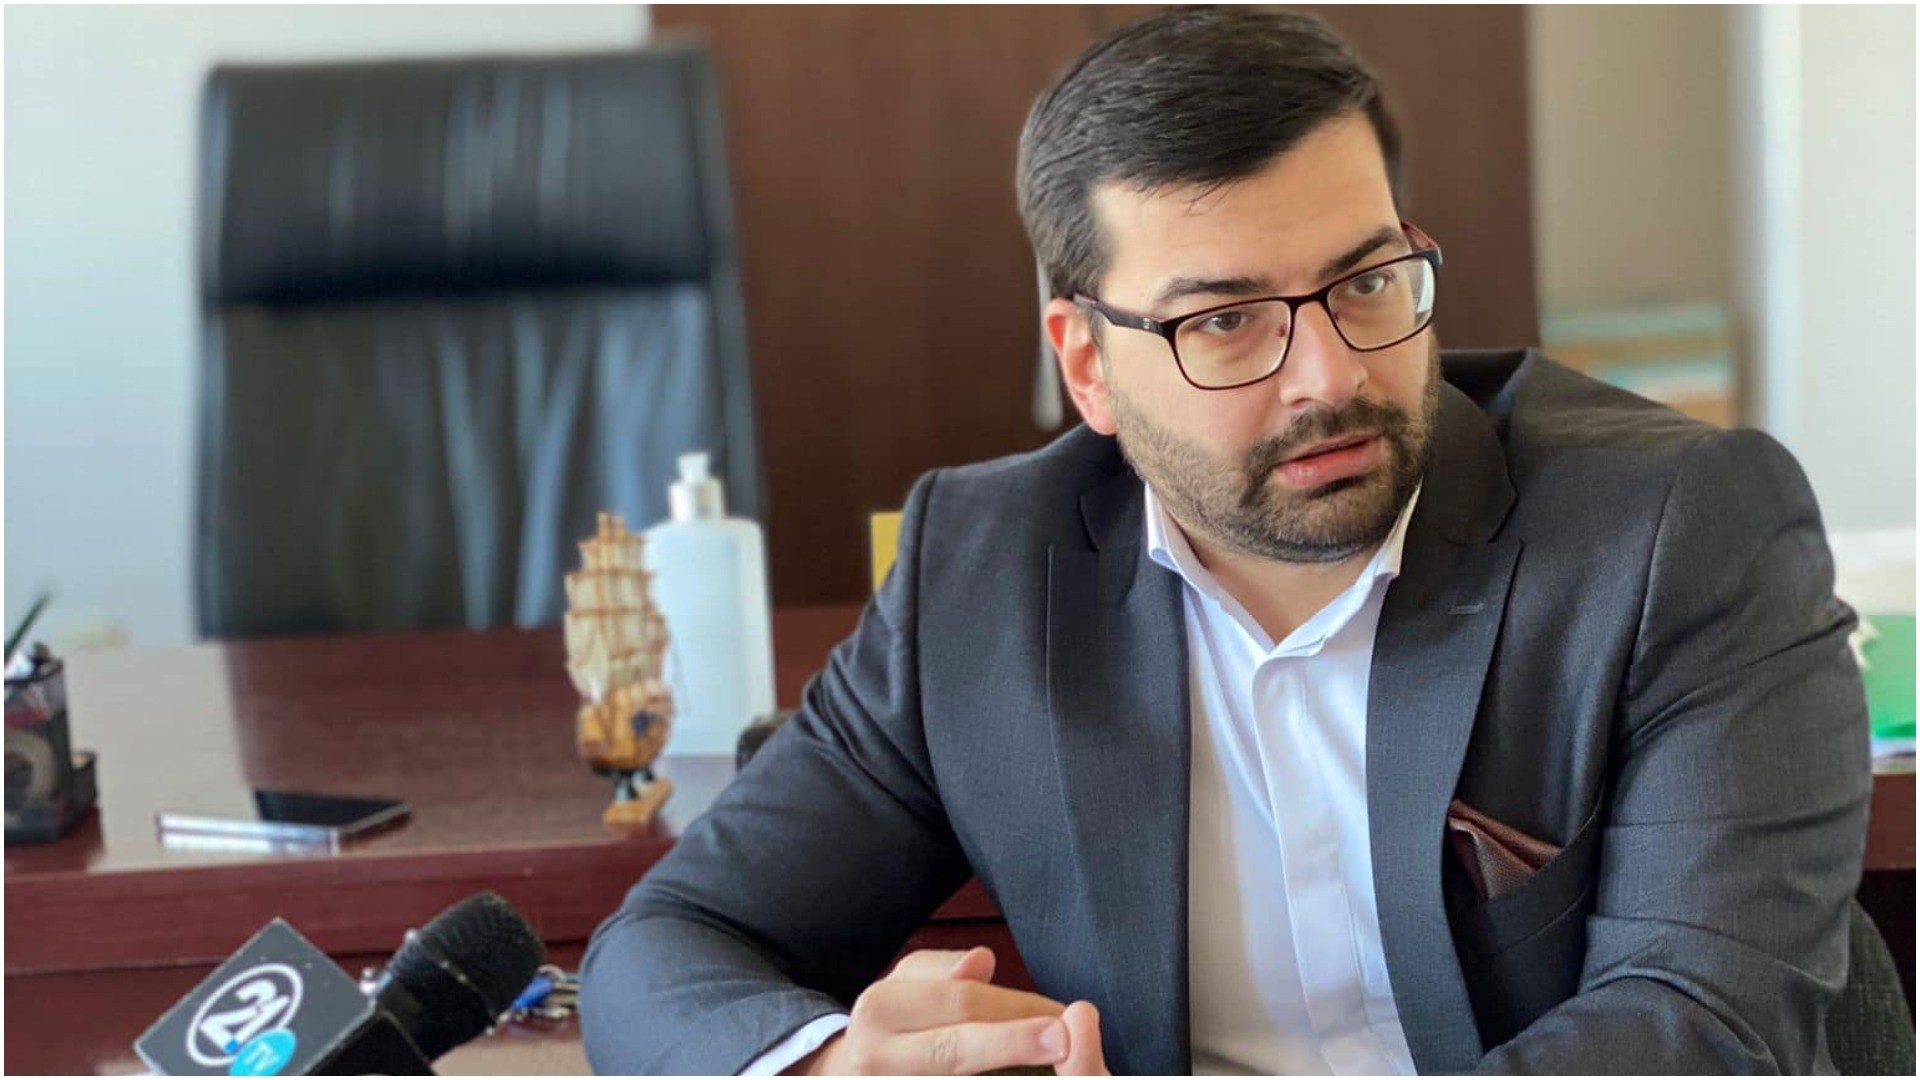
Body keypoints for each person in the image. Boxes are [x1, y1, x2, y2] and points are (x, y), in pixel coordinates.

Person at [579, 8, 1871, 1075]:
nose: (1328, 375)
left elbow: (1708, 1026)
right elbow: (667, 949)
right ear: (1088, 365)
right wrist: (827, 1067)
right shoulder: (982, 575)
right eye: (1226, 321)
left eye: (1367, 282)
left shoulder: (1680, 535)